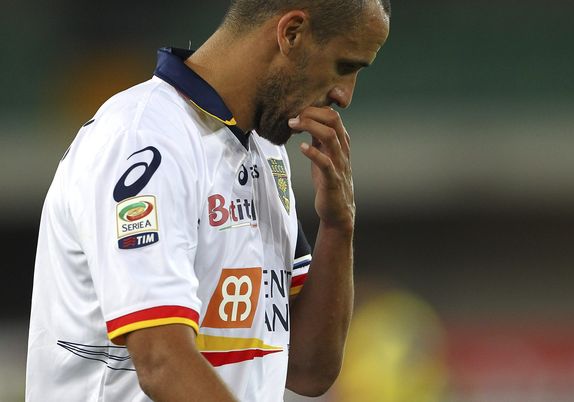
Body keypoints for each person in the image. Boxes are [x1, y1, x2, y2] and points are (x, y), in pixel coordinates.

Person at [26, 0, 390, 401]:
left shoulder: (266, 153)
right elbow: (162, 361)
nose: (345, 95)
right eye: (345, 66)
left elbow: (307, 370)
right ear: (291, 33)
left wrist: (338, 227)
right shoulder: (144, 140)